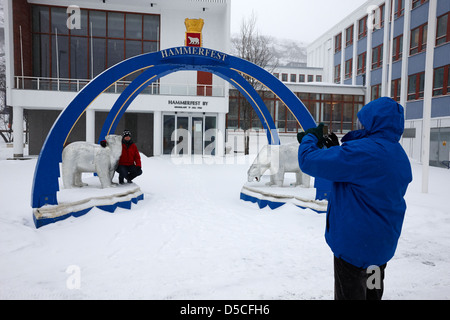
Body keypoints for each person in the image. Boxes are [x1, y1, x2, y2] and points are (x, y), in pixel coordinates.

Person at [297, 97, 412, 300]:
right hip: (380, 248)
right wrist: (337, 151)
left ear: (373, 123)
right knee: (372, 293)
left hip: (354, 249)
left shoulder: (361, 153)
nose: (359, 125)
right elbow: (364, 174)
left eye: (363, 121)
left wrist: (310, 138)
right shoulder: (397, 154)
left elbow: (308, 161)